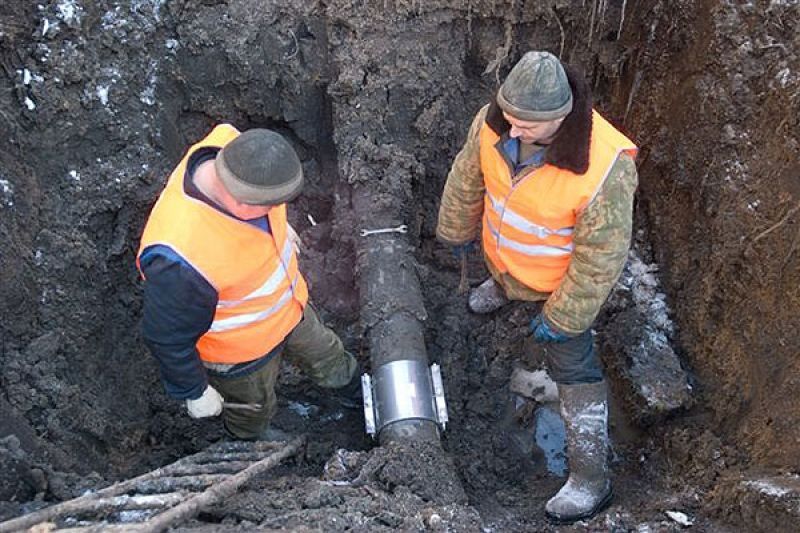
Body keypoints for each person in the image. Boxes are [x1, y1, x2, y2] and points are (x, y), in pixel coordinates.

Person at [436, 51, 638, 523]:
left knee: (575, 368)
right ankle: (503, 287)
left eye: (527, 125)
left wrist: (563, 317)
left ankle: (591, 480)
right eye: (509, 117)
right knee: (502, 281)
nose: (514, 130)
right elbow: (468, 178)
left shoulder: (603, 168)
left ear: (561, 118)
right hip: (507, 261)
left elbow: (599, 262)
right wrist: (455, 231)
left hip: (557, 286)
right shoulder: (494, 124)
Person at [137, 124, 361, 441]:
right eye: (270, 208)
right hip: (242, 355)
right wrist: (193, 389)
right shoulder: (180, 259)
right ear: (243, 204)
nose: (277, 211)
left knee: (327, 354)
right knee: (253, 407)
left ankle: (354, 391)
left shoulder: (232, 146)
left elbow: (260, 211)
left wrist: (279, 230)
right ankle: (249, 440)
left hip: (290, 307)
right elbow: (165, 336)